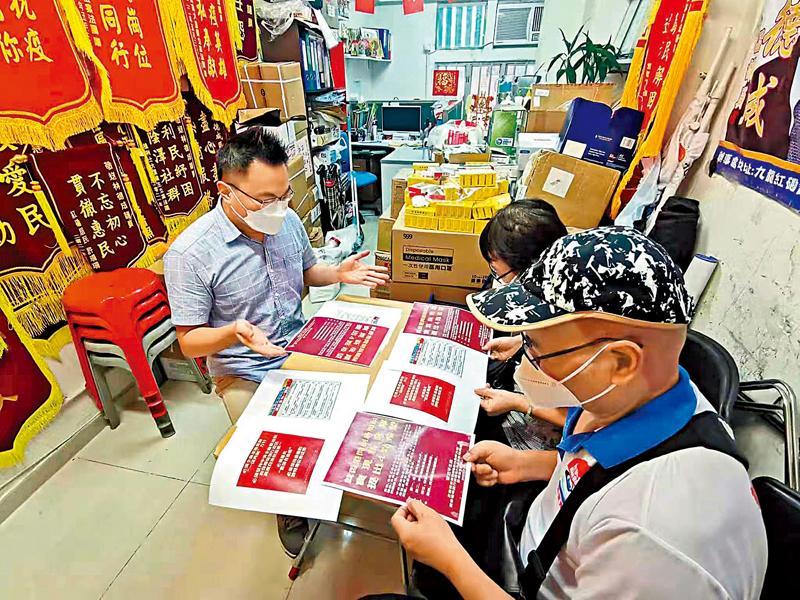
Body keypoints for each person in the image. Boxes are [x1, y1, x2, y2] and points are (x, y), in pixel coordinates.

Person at [391, 227, 767, 599]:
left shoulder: (653, 538)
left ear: (619, 362)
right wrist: (529, 464)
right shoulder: (649, 397)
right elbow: (596, 472)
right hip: (541, 536)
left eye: (536, 347)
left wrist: (451, 560)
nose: (527, 361)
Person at [163, 129, 389, 557]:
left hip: (299, 345)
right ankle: (288, 509)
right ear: (226, 192)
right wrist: (233, 332)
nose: (279, 208)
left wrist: (337, 273)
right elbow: (189, 341)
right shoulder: (190, 254)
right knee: (279, 447)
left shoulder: (287, 221)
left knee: (367, 394)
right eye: (266, 199)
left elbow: (307, 273)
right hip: (243, 368)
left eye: (284, 195)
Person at [476, 199, 568, 439]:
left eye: (497, 271)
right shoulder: (558, 294)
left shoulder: (576, 333)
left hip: (533, 439)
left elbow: (587, 420)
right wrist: (521, 342)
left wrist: (518, 403)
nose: (497, 280)